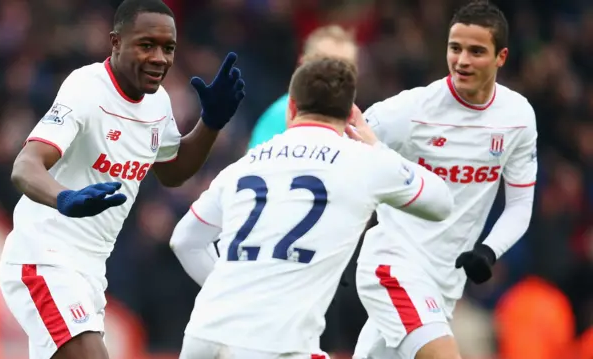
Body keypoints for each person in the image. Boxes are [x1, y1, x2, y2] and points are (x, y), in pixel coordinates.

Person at [0, 0, 245, 358]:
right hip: (45, 258)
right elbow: (26, 165)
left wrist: (210, 124)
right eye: (147, 45)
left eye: (168, 47)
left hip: (92, 270)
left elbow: (172, 171)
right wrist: (65, 198)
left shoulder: (158, 102)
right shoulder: (87, 88)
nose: (160, 57)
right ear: (116, 42)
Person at [170, 56, 454, 359]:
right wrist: (375, 145)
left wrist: (237, 298)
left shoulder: (245, 164)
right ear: (349, 115)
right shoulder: (365, 161)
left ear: (291, 108)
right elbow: (440, 203)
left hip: (204, 334)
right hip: (276, 345)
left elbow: (184, 240)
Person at [353, 1, 537, 359]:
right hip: (395, 265)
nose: (462, 60)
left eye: (476, 51)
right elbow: (346, 148)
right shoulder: (411, 109)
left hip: (444, 286)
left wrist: (488, 250)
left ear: (501, 57)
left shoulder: (518, 117)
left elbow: (519, 204)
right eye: (455, 48)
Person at [247, 25, 358, 149]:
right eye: (324, 62)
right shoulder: (280, 115)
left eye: (346, 66)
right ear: (302, 64)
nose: (333, 75)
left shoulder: (362, 122)